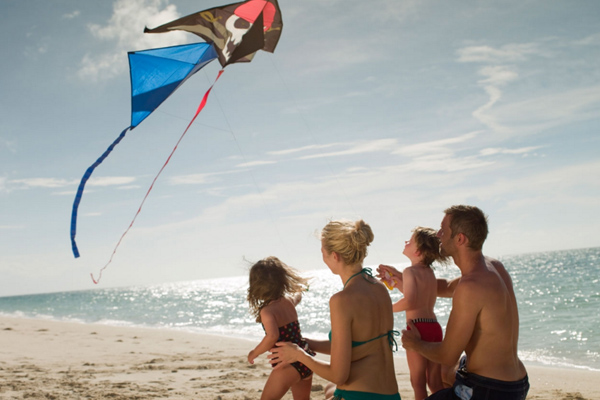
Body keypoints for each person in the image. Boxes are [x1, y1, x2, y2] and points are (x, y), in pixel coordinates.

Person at [400, 205, 529, 400]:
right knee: (444, 372)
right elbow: (443, 287)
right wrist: (402, 279)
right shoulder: (493, 267)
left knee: (443, 368)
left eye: (443, 230)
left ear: (460, 239)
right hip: (516, 381)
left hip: (489, 389)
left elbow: (446, 355)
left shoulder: (471, 286)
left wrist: (415, 343)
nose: (438, 234)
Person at [269, 219, 401, 400]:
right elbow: (354, 345)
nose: (322, 256)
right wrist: (305, 342)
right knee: (330, 389)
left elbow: (338, 375)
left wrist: (299, 355)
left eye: (322, 251)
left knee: (332, 384)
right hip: (391, 396)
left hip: (358, 396)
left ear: (335, 256)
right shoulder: (379, 288)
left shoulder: (342, 300)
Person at [377, 227, 449, 400]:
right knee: (434, 381)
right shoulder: (430, 272)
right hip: (434, 328)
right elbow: (417, 297)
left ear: (417, 251)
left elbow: (410, 301)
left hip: (418, 328)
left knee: (417, 382)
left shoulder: (410, 271)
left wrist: (384, 308)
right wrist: (396, 281)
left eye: (409, 241)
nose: (405, 242)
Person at [247, 256, 315, 400]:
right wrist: (299, 289)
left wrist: (254, 352)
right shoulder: (288, 301)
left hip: (287, 365)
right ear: (282, 281)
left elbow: (271, 336)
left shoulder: (267, 311)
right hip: (305, 357)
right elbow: (297, 297)